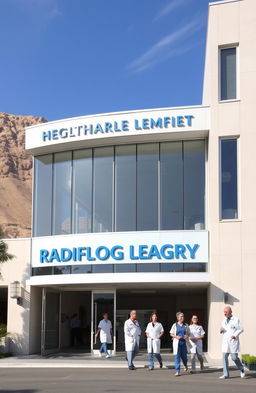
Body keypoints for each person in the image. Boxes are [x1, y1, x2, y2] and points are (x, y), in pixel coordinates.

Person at [219, 306, 245, 379]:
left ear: (230, 312)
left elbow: (241, 329)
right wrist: (221, 330)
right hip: (225, 342)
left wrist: (235, 335)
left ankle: (241, 368)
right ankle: (226, 374)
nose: (224, 313)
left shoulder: (236, 320)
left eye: (226, 312)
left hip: (233, 342)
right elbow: (223, 329)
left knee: (234, 358)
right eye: (224, 312)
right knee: (224, 358)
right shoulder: (224, 320)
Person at [170, 312, 190, 376]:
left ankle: (185, 364)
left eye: (183, 316)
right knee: (177, 357)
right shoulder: (174, 325)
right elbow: (171, 333)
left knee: (184, 357)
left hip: (184, 343)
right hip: (177, 343)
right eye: (181, 316)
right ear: (178, 318)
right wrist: (176, 337)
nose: (182, 318)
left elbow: (189, 333)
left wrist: (187, 336)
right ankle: (177, 371)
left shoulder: (186, 325)